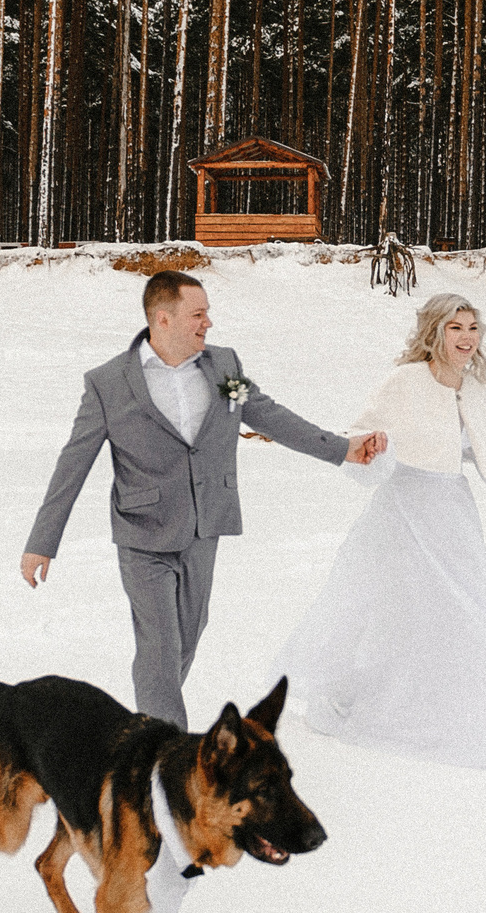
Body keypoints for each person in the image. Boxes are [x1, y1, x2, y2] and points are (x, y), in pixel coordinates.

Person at [22, 270, 385, 730]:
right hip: (143, 533)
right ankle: (164, 750)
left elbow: (269, 415)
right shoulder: (108, 383)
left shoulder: (223, 366)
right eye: (198, 314)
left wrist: (342, 448)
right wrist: (42, 541)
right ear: (163, 319)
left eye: (208, 313)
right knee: (159, 645)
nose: (208, 323)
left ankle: (149, 723)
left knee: (187, 639)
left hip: (204, 526)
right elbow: (71, 465)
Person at [268, 293, 486, 769]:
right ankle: (375, 701)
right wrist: (375, 447)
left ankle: (480, 719)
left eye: (473, 328)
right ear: (434, 333)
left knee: (470, 612)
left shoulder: (475, 391)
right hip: (401, 513)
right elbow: (361, 441)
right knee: (396, 611)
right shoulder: (404, 381)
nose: (466, 338)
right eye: (455, 328)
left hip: (452, 517)